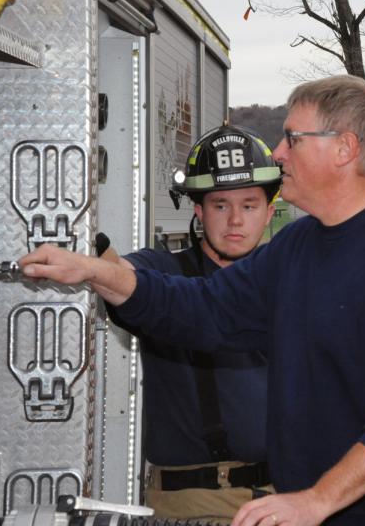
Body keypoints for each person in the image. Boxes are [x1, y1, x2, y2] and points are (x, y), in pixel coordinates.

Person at [19, 74, 365, 526]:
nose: (278, 153)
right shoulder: (297, 246)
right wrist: (97, 272)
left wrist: (316, 500)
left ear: (345, 148)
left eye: (292, 139)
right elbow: (203, 309)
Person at [99, 124, 280, 521]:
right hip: (190, 502)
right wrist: (93, 251)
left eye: (249, 205)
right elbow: (118, 274)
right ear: (199, 211)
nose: (235, 220)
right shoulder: (165, 271)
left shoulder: (288, 277)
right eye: (220, 205)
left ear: (269, 212)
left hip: (283, 500)